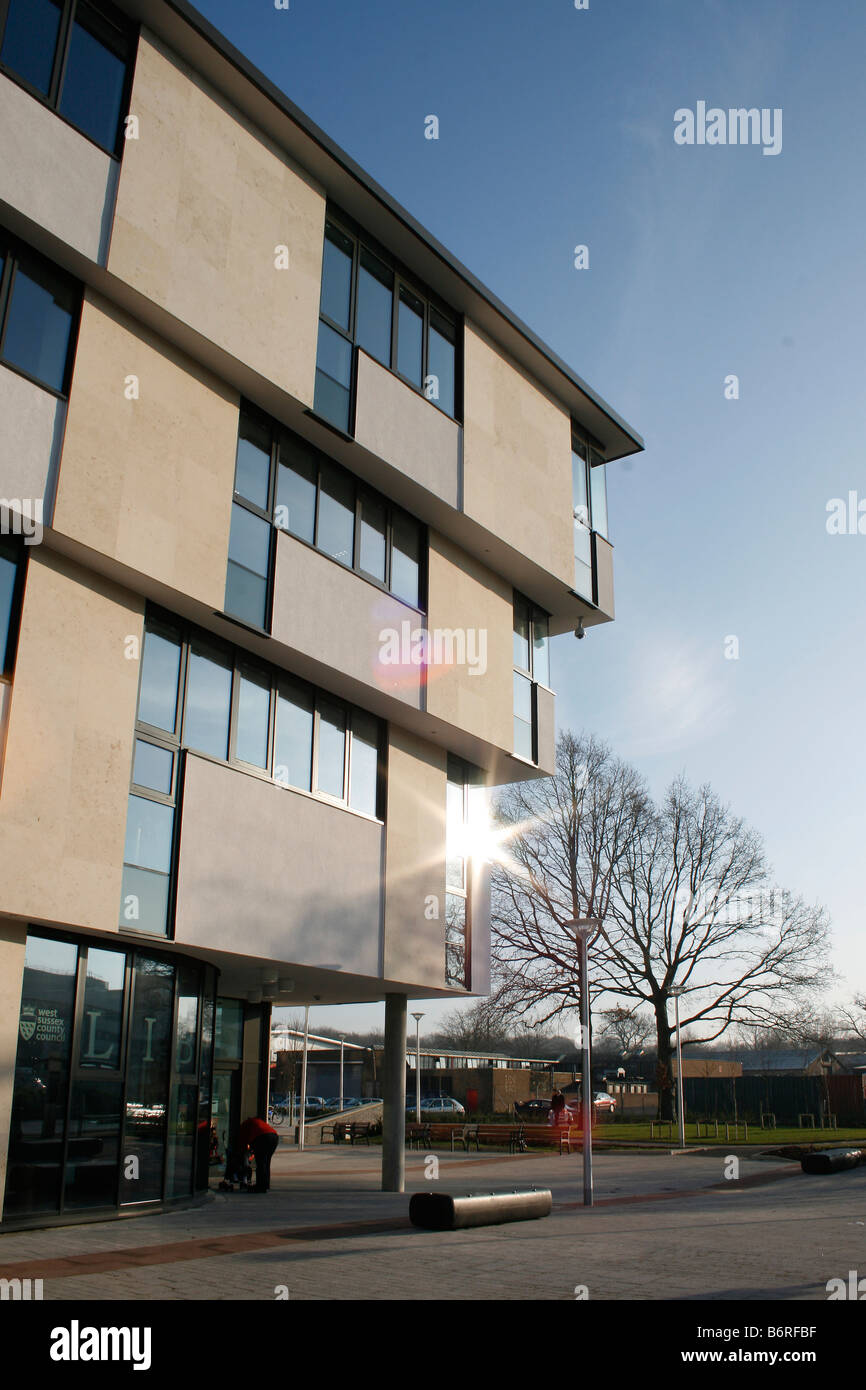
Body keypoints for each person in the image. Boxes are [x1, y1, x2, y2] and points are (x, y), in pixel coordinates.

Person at [238, 1114, 279, 1193]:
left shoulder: (245, 1125)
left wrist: (242, 1152)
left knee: (261, 1163)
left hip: (262, 1137)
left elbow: (243, 1142)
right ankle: (265, 1184)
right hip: (274, 1136)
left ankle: (260, 1186)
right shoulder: (257, 1122)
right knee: (267, 1162)